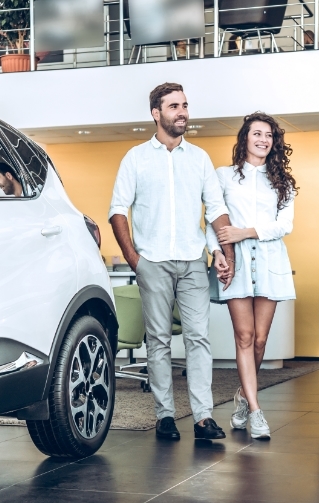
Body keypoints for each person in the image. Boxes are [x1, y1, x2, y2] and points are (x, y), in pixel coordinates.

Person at [109, 82, 235, 441]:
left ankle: (202, 417)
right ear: (156, 113)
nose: (183, 112)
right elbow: (117, 210)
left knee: (198, 338)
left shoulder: (199, 158)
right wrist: (136, 259)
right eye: (174, 106)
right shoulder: (136, 158)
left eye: (185, 105)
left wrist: (225, 253)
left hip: (194, 260)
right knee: (159, 340)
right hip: (154, 262)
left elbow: (216, 209)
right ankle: (164, 415)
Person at [212, 113, 297, 440]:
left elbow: (284, 225)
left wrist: (244, 231)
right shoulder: (223, 177)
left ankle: (243, 397)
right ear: (244, 138)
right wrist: (218, 252)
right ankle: (257, 411)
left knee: (260, 340)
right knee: (244, 337)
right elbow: (213, 222)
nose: (263, 139)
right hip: (237, 265)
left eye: (269, 135)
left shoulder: (284, 183)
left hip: (271, 262)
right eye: (256, 133)